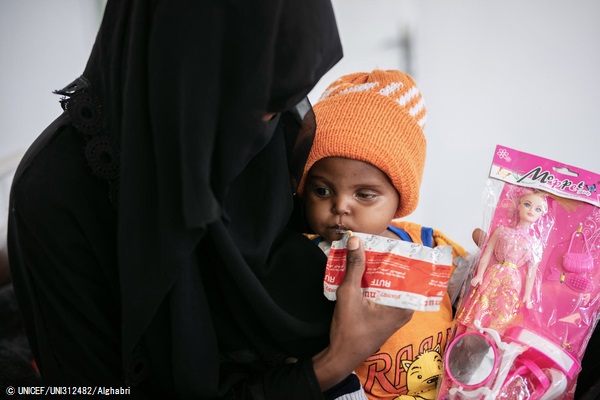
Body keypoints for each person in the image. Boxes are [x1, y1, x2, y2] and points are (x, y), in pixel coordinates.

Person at [7, 1, 414, 398]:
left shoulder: (269, 121)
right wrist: (332, 364)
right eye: (257, 107)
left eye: (282, 104)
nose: (273, 127)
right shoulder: (54, 199)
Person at [297, 69, 467, 400]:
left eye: (364, 194)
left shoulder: (425, 243)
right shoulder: (300, 259)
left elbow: (475, 295)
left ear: (399, 198)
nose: (340, 206)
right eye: (321, 189)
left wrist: (505, 255)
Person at [456, 191, 547, 330]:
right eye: (527, 205)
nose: (531, 211)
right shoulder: (502, 231)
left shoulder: (535, 243)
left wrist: (528, 295)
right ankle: (468, 336)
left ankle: (490, 343)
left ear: (541, 215)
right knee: (481, 305)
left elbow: (531, 272)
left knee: (502, 310)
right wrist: (480, 274)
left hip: (513, 280)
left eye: (537, 209)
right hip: (494, 273)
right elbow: (486, 254)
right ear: (519, 206)